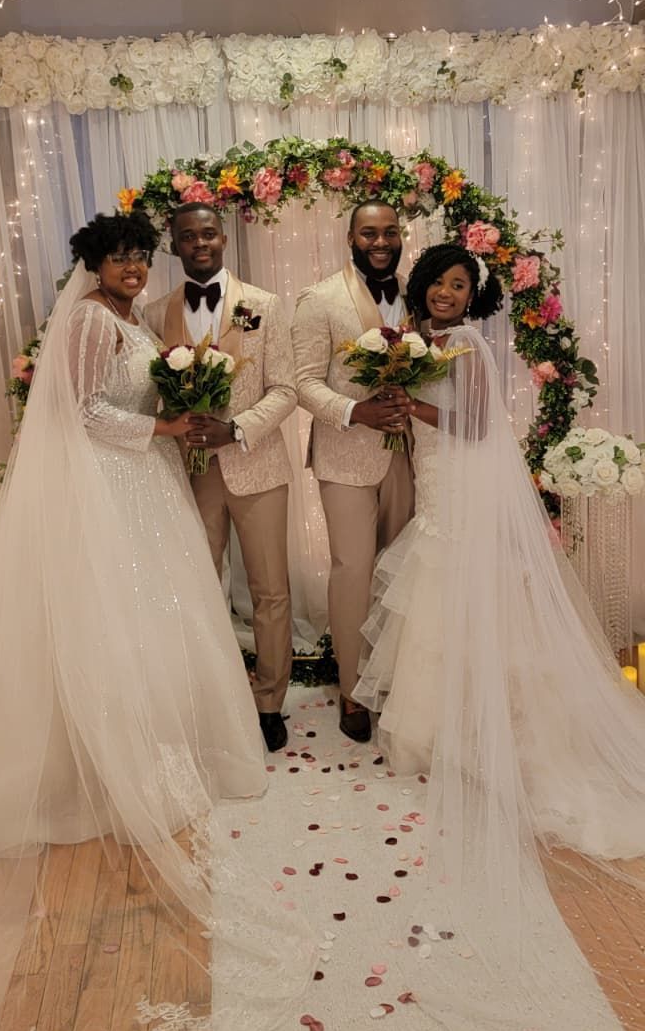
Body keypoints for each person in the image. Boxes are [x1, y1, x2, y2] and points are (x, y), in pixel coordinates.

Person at [0, 209, 315, 1031]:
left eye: (143, 255)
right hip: (113, 486)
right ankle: (97, 756)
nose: (134, 267)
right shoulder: (95, 321)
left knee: (156, 622)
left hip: (142, 483)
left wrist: (173, 421)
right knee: (122, 619)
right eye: (121, 257)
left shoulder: (135, 321)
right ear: (94, 265)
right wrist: (166, 425)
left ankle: (142, 738)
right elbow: (81, 410)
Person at [355, 241, 645, 877]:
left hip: (462, 485)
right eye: (439, 282)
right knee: (435, 605)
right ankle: (443, 731)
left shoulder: (471, 346)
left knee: (462, 592)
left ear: (473, 296)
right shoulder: (414, 340)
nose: (447, 293)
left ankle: (484, 731)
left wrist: (414, 408)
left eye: (460, 286)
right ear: (424, 284)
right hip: (433, 479)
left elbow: (480, 424)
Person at [144, 203, 297, 753]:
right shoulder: (155, 312)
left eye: (208, 233)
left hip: (257, 465)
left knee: (269, 590)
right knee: (200, 588)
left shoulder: (267, 306)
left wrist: (236, 429)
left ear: (223, 238)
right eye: (188, 237)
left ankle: (269, 702)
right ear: (175, 245)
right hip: (189, 472)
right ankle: (210, 697)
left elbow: (286, 389)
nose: (199, 243)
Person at [291, 200, 415, 743]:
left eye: (390, 232)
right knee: (353, 574)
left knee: (406, 575)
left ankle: (397, 683)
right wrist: (355, 411)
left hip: (411, 454)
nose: (381, 242)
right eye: (369, 233)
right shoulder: (319, 299)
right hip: (345, 458)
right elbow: (302, 382)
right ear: (350, 237)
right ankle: (351, 688)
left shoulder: (420, 293)